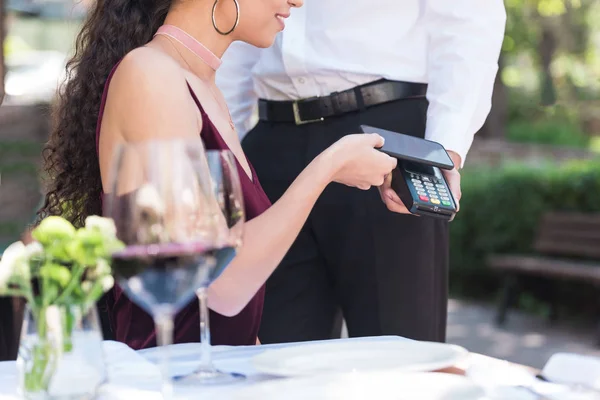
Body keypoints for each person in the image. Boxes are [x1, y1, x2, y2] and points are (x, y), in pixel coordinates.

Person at [38, 0, 398, 349]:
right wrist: (326, 168)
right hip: (168, 374)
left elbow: (234, 307)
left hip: (217, 370)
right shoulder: (151, 74)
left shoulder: (202, 86)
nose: (297, 1)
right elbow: (218, 284)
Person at [216, 1, 507, 343]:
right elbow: (234, 42)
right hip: (271, 138)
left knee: (397, 357)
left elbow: (468, 18)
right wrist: (222, 150)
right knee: (275, 354)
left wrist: (445, 148)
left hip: (385, 137)